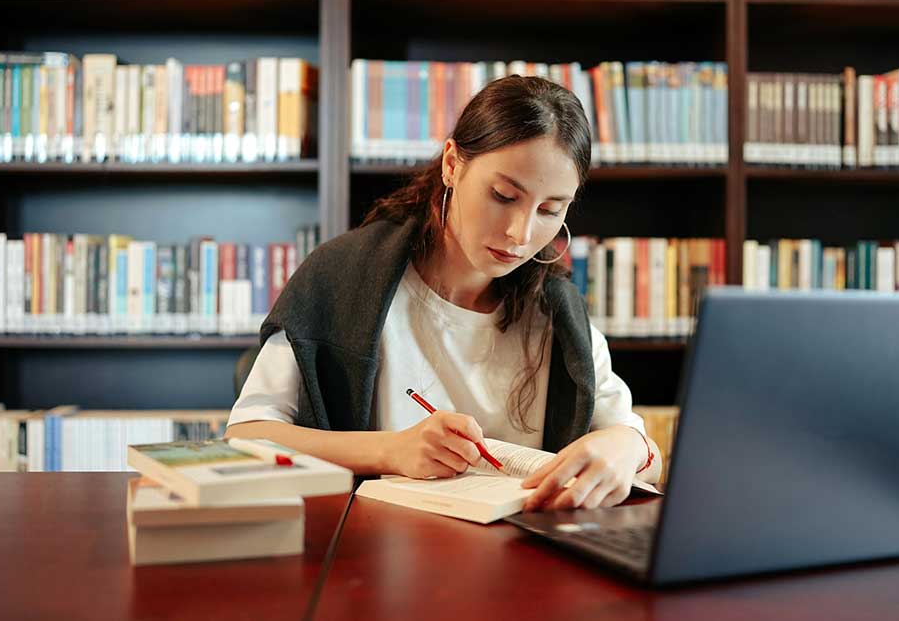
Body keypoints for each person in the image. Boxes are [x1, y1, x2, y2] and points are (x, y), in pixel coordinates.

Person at [225, 75, 661, 512]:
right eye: (504, 195)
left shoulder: (555, 308)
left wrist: (625, 448)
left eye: (550, 209)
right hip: (372, 552)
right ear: (452, 164)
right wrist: (390, 450)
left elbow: (646, 456)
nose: (521, 234)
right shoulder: (343, 275)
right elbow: (246, 434)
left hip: (522, 559)